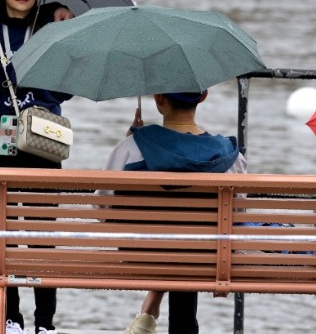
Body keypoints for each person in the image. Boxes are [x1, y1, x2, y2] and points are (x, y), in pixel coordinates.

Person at [0, 0, 72, 334]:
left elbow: (67, 90)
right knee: (6, 238)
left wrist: (55, 13)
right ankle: (11, 318)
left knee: (43, 238)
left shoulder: (52, 29)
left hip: (43, 143)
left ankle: (45, 323)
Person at [105, 91, 247, 334]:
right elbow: (239, 212)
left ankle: (149, 308)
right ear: (203, 97)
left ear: (159, 99)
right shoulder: (231, 157)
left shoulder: (132, 148)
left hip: (141, 254)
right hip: (207, 257)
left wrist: (134, 139)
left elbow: (103, 208)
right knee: (190, 246)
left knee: (173, 247)